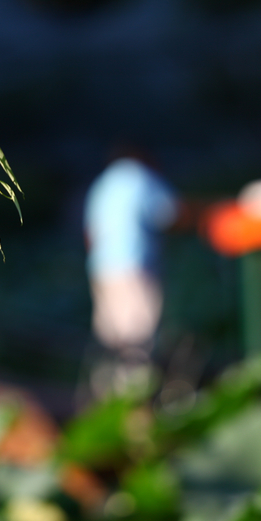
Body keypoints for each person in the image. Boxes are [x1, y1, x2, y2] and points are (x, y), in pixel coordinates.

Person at [83, 153, 178, 394]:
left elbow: (89, 234)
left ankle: (103, 398)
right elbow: (169, 215)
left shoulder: (103, 183)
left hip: (102, 270)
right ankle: (134, 404)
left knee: (110, 339)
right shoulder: (141, 179)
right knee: (138, 340)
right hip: (133, 268)